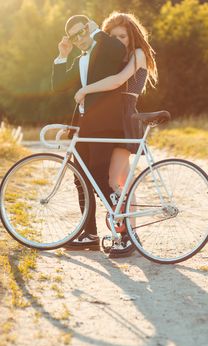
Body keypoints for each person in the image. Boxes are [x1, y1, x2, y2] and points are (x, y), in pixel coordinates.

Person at [74, 12, 158, 258]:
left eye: (122, 36)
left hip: (124, 118)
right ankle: (129, 234)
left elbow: (118, 81)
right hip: (114, 118)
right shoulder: (118, 57)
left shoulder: (138, 55)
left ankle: (128, 235)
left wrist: (86, 90)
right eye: (113, 36)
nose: (119, 40)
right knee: (122, 182)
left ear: (132, 36)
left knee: (113, 181)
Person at [52, 15, 127, 251]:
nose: (79, 39)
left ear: (89, 28)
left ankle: (125, 232)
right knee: (79, 177)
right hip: (84, 124)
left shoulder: (105, 48)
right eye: (74, 37)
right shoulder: (80, 59)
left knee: (98, 173)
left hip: (104, 123)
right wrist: (63, 56)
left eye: (82, 33)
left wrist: (96, 33)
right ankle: (89, 233)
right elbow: (59, 87)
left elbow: (119, 48)